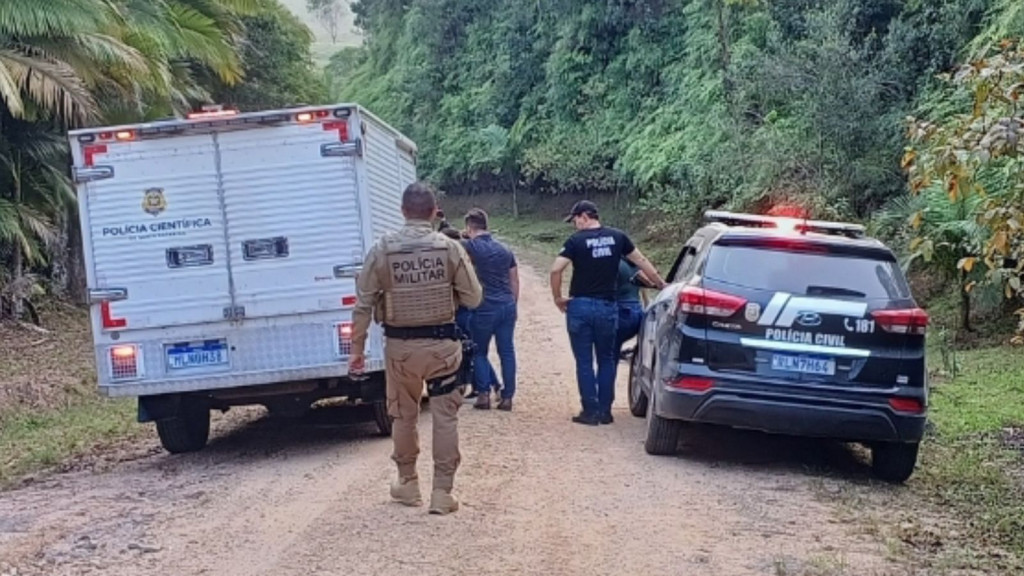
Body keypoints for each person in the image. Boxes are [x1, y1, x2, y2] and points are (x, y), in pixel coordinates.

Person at [348, 182, 483, 515]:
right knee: (444, 417)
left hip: (400, 349)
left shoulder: (382, 249)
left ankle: (408, 484)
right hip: (442, 347)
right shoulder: (450, 248)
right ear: (435, 211)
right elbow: (474, 297)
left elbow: (363, 305)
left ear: (403, 211)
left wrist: (356, 351)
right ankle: (442, 492)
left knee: (403, 416)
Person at [550, 200, 666, 426]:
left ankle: (590, 411)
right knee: (606, 358)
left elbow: (556, 269)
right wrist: (661, 283)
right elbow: (640, 261)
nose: (575, 225)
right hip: (607, 307)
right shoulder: (617, 237)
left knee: (584, 361)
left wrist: (558, 297)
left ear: (584, 216)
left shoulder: (576, 241)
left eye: (575, 220)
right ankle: (605, 411)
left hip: (580, 306)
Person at [462, 208, 519, 411]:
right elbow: (514, 279)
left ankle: (484, 395)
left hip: (484, 306)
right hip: (507, 305)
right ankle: (507, 397)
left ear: (469, 227)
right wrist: (514, 304)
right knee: (507, 352)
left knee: (479, 351)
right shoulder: (505, 249)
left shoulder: (470, 246)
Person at [439, 225, 500, 400]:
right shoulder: (464, 259)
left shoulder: (457, 260)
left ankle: (493, 384)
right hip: (466, 310)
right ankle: (482, 385)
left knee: (473, 351)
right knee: (472, 351)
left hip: (463, 312)